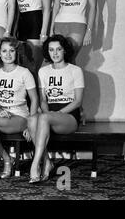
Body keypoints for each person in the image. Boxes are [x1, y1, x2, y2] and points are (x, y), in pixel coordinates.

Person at [0, 37, 38, 185]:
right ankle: (7, 159)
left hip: (20, 117)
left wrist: (31, 123)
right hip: (4, 117)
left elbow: (35, 100)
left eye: (12, 50)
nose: (8, 54)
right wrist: (0, 111)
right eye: (4, 51)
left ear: (16, 53)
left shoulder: (24, 73)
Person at [27, 34, 84, 183]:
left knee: (43, 118)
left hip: (69, 116)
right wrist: (47, 114)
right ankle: (47, 162)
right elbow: (43, 100)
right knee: (32, 119)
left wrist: (55, 114)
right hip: (49, 114)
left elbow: (77, 101)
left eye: (59, 49)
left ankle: (35, 165)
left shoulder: (75, 70)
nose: (55, 53)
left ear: (65, 51)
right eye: (51, 50)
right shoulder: (43, 71)